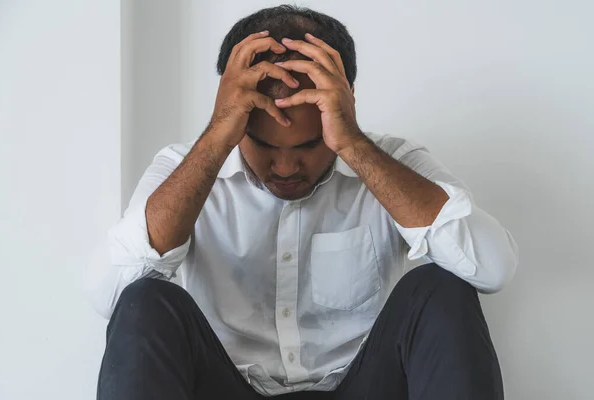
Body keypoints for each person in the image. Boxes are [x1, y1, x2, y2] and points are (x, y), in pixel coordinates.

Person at [87, 5, 518, 400]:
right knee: (146, 298)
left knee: (441, 288)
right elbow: (114, 297)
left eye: (310, 145)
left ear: (346, 103)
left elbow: (491, 268)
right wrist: (218, 136)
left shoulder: (393, 161)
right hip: (227, 386)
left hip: (362, 386)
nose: (287, 167)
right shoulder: (186, 167)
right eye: (264, 144)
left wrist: (351, 143)